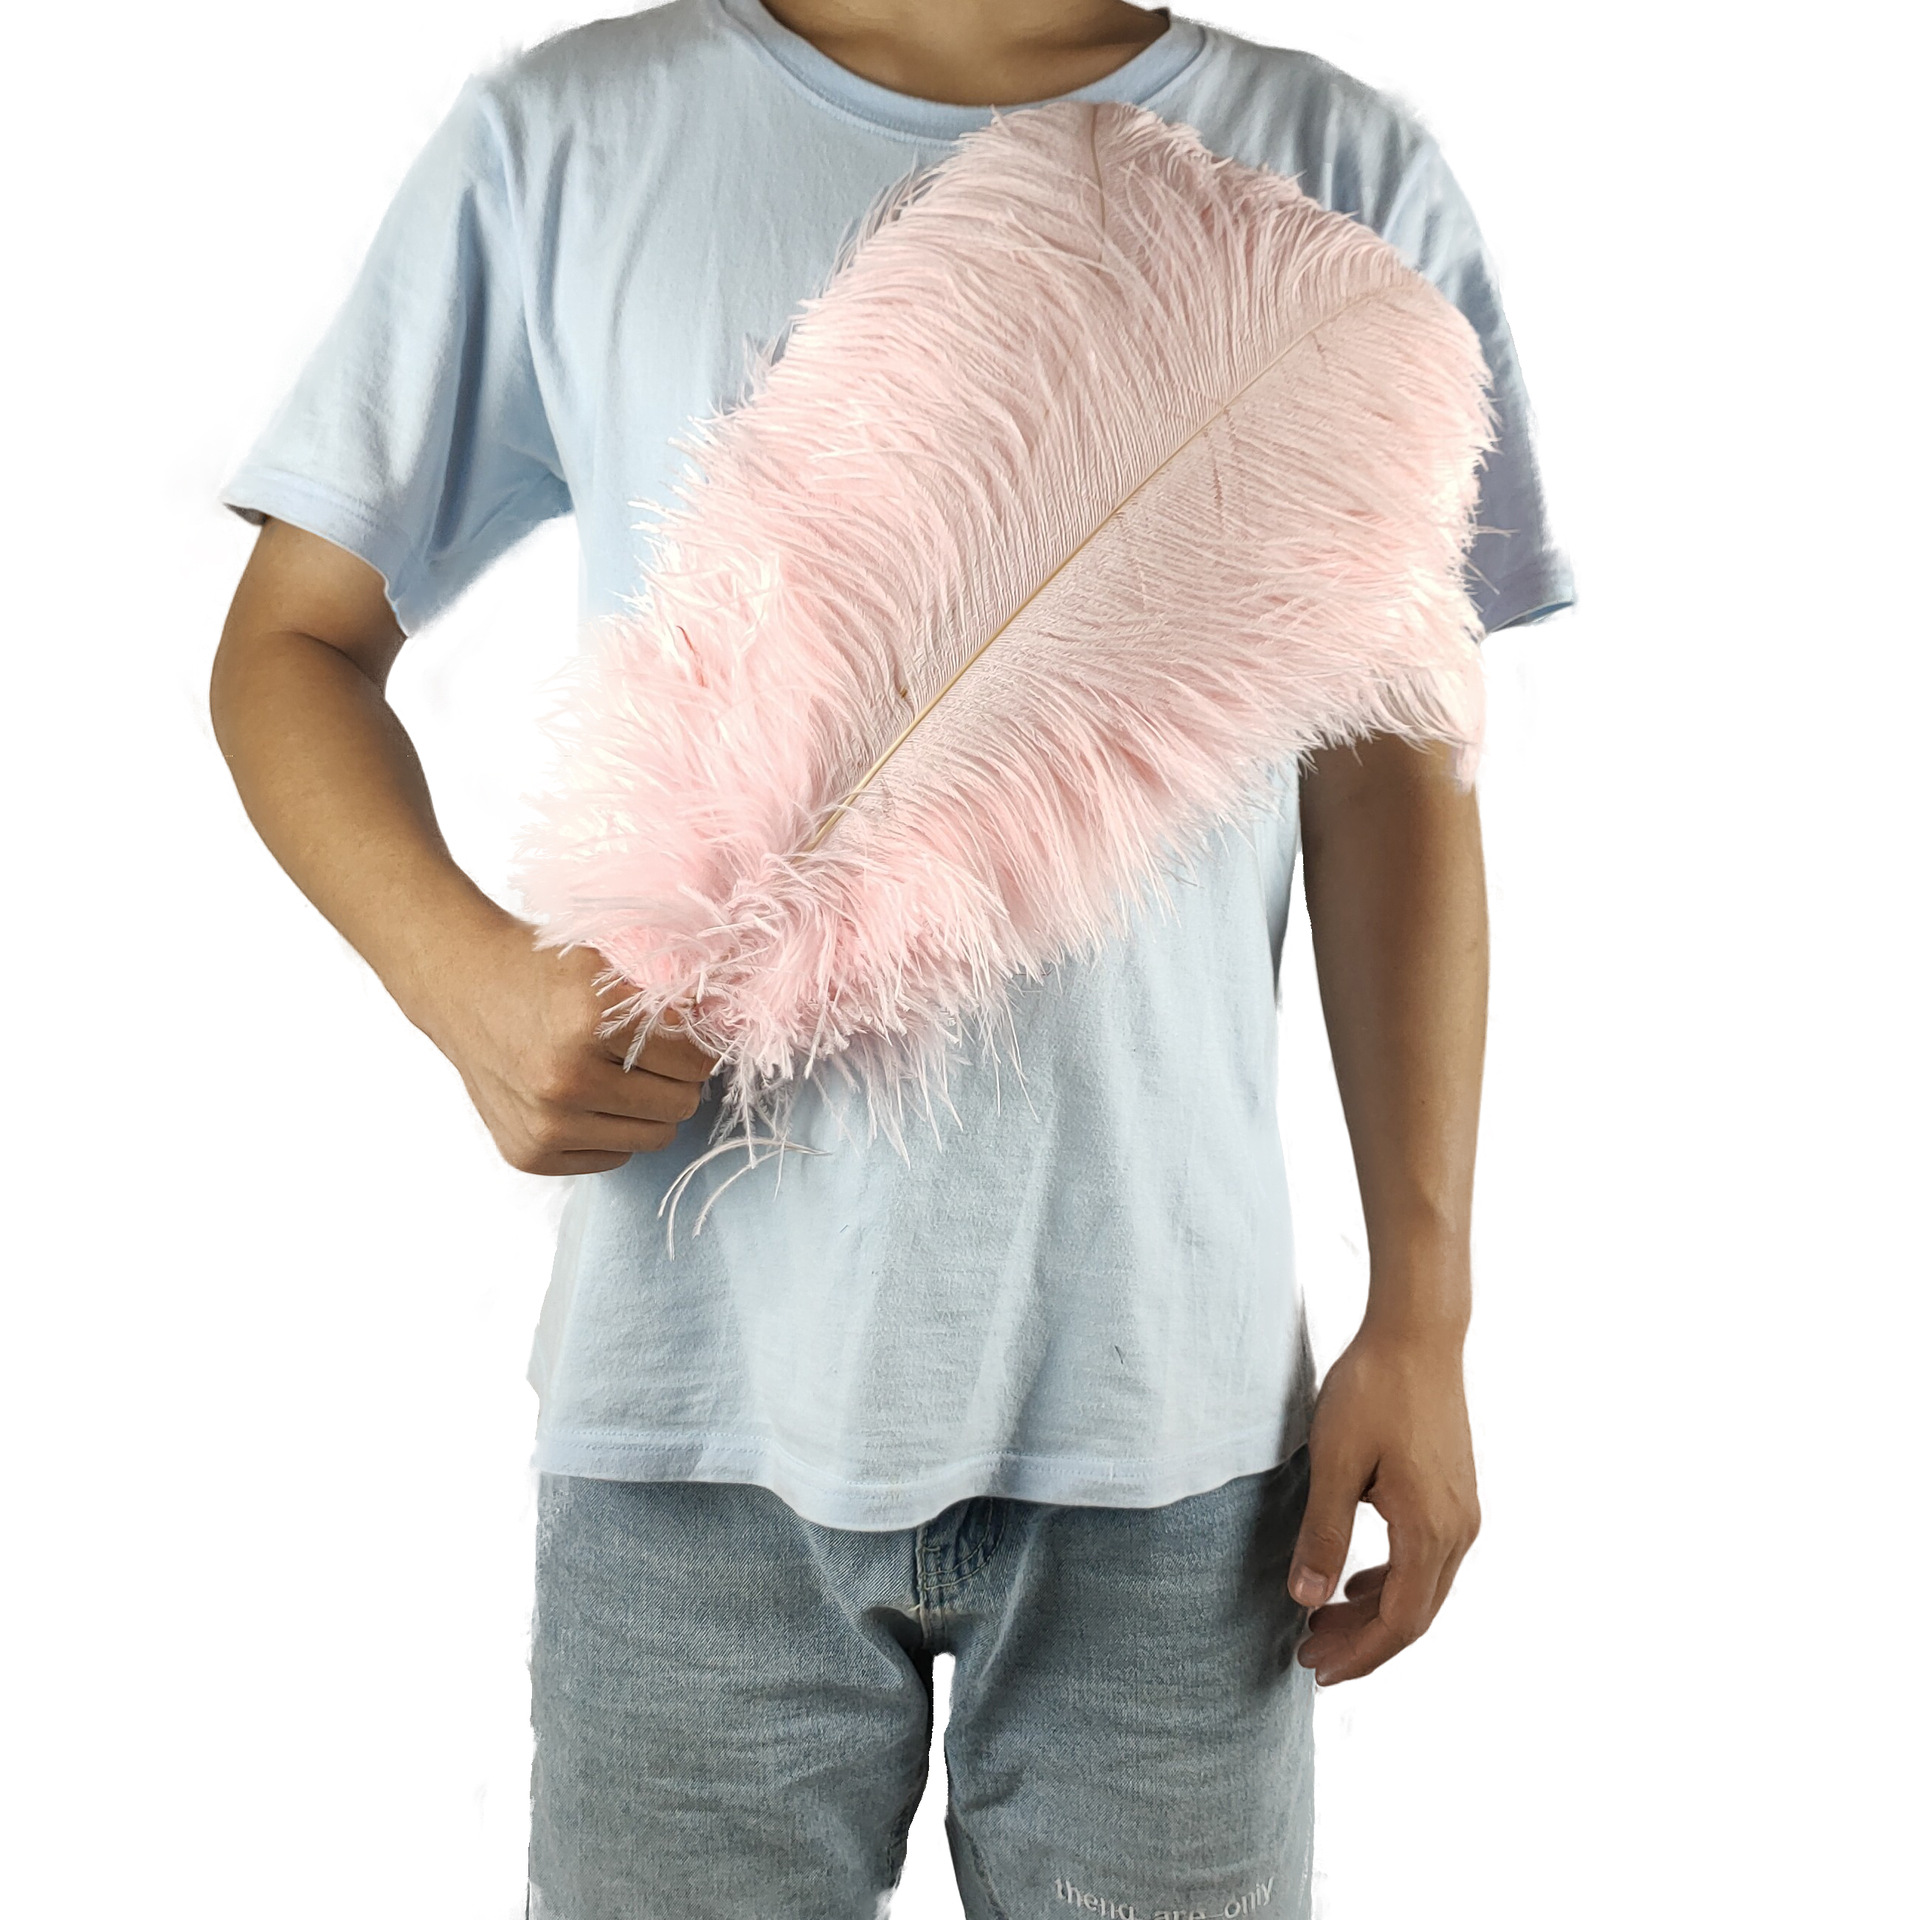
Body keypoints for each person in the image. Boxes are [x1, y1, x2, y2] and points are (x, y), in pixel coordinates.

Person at [209, 3, 1576, 1915]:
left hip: (1177, 1442)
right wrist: (461, 980)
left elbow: (1396, 784)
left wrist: (1423, 1313)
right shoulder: (574, 140)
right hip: (691, 1413)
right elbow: (289, 642)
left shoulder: (1339, 170)